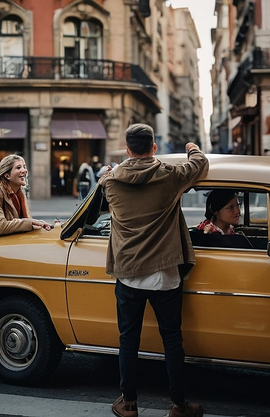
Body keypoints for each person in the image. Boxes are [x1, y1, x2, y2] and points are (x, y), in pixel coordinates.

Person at [99, 123, 208, 417]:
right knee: (172, 339)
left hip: (129, 272)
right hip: (165, 274)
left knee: (128, 340)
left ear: (127, 149)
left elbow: (101, 191)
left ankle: (129, 403)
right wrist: (192, 148)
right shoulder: (170, 176)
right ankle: (179, 404)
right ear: (154, 147)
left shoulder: (111, 180)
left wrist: (109, 171)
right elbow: (200, 164)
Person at [0, 154, 52, 248]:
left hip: (6, 246)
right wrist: (31, 222)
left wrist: (43, 225)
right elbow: (1, 226)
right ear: (7, 175)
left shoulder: (20, 194)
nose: (24, 170)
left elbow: (22, 224)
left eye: (24, 166)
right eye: (18, 167)